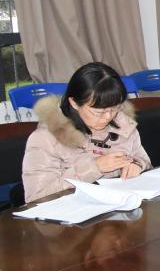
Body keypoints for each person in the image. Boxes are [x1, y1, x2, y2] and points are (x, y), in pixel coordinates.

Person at [22, 62, 152, 203]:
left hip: (120, 205)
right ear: (74, 103)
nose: (108, 117)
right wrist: (94, 168)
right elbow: (36, 197)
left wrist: (137, 165)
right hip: (73, 213)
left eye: (115, 108)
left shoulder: (123, 124)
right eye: (98, 112)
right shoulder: (45, 138)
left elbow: (143, 160)